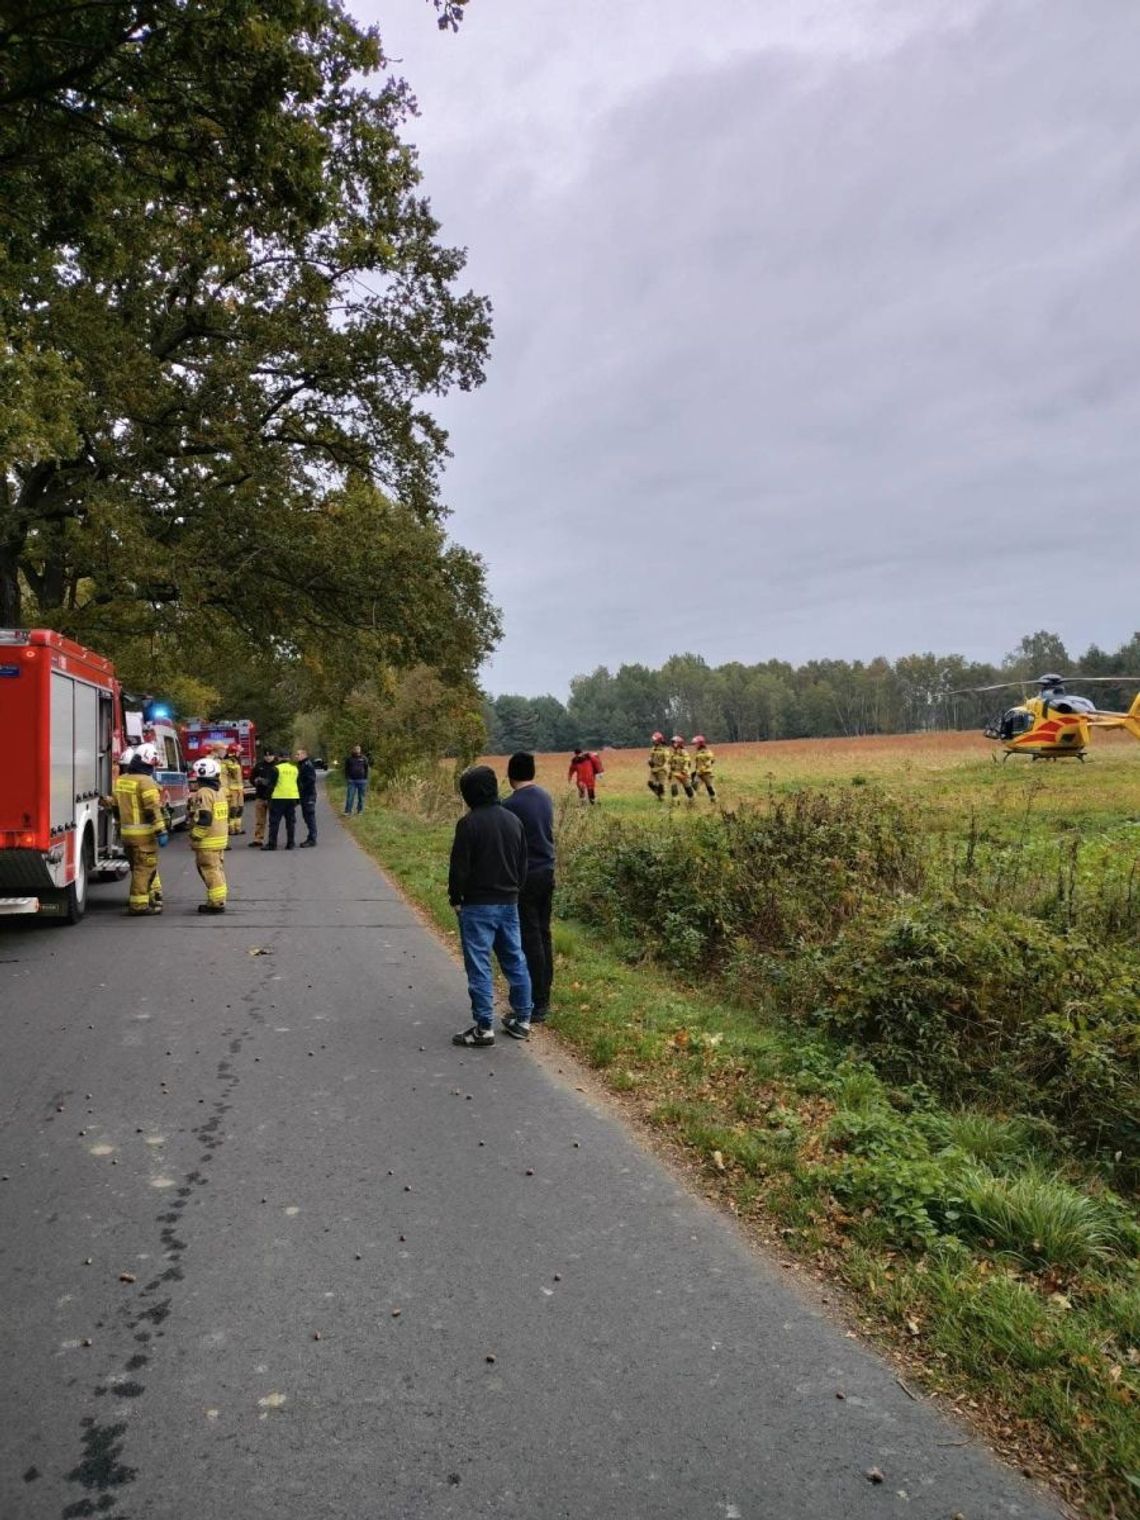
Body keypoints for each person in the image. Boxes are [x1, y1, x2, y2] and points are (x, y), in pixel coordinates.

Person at [448, 765, 532, 1047]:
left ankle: (484, 1027)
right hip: (509, 903)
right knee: (515, 960)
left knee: (479, 966)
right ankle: (522, 1019)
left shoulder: (468, 824)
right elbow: (523, 865)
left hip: (477, 905)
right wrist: (515, 891)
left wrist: (456, 899)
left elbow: (459, 869)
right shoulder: (513, 821)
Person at [503, 751, 555, 1024]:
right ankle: (545, 992)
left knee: (529, 938)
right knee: (544, 935)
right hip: (548, 870)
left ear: (510, 774)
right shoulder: (545, 797)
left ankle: (537, 1002)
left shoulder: (510, 805)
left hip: (526, 877)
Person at [107, 741, 169, 915]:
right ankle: (139, 905)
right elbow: (152, 809)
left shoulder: (122, 781)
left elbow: (115, 808)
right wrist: (161, 830)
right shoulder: (146, 782)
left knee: (137, 868)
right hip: (144, 837)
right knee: (144, 869)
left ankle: (148, 898)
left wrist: (121, 825)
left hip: (127, 835)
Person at [189, 757, 229, 913]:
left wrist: (195, 835)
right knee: (217, 870)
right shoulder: (219, 791)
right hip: (219, 839)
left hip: (207, 841)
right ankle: (219, 899)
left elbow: (205, 819)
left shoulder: (203, 792)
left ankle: (216, 902)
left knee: (209, 870)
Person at [264, 750, 300, 850]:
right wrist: (298, 799)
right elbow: (299, 784)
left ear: (279, 758)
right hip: (292, 798)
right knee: (290, 822)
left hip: (278, 798)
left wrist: (267, 797)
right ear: (288, 758)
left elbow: (271, 785)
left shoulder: (276, 768)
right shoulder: (295, 768)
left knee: (274, 822)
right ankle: (291, 843)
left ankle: (272, 844)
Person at [248, 746, 275, 847]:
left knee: (273, 820)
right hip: (260, 796)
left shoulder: (277, 766)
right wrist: (256, 781)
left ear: (274, 756)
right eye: (266, 755)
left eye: (270, 755)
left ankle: (272, 840)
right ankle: (258, 839)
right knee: (260, 820)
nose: (268, 757)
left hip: (272, 797)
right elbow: (251, 778)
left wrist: (268, 783)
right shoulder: (259, 766)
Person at [297, 748, 318, 846]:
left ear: (304, 755)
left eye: (298, 754)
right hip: (304, 795)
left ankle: (312, 839)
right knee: (306, 817)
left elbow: (311, 780)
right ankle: (311, 837)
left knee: (310, 817)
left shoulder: (307, 765)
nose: (296, 756)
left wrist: (301, 787)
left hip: (309, 795)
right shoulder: (301, 765)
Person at [223, 745, 245, 837]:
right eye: (239, 751)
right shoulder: (228, 763)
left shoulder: (235, 761)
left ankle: (237, 828)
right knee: (233, 810)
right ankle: (231, 829)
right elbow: (233, 774)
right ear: (234, 752)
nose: (240, 753)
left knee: (240, 809)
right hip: (232, 789)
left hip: (239, 789)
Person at [343, 745, 369, 814]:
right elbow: (346, 769)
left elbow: (366, 769)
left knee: (361, 797)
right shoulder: (349, 759)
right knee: (350, 796)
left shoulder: (364, 758)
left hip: (362, 780)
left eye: (358, 749)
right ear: (353, 750)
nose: (357, 751)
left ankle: (360, 810)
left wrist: (365, 778)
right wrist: (347, 778)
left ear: (360, 750)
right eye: (356, 749)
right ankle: (348, 811)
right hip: (352, 780)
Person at [668, 735, 694, 804]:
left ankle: (692, 801)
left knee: (688, 788)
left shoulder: (684, 752)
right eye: (672, 743)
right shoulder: (673, 754)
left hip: (684, 774)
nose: (673, 744)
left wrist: (684, 770)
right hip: (675, 774)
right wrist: (670, 773)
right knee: (674, 788)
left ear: (679, 743)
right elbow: (671, 764)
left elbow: (687, 761)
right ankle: (676, 803)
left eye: (674, 743)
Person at [691, 736, 717, 800]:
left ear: (700, 744)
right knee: (694, 784)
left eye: (696, 744)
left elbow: (711, 760)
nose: (694, 745)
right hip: (699, 772)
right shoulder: (698, 752)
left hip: (706, 772)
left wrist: (704, 767)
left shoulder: (707, 752)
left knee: (709, 787)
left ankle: (713, 799)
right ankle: (693, 798)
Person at [647, 731, 669, 802]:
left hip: (661, 770)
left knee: (661, 786)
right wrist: (649, 761)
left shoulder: (664, 749)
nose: (653, 741)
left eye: (655, 740)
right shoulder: (653, 749)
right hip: (654, 769)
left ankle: (662, 798)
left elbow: (667, 759)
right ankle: (659, 794)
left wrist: (665, 767)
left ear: (658, 740)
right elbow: (651, 757)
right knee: (650, 783)